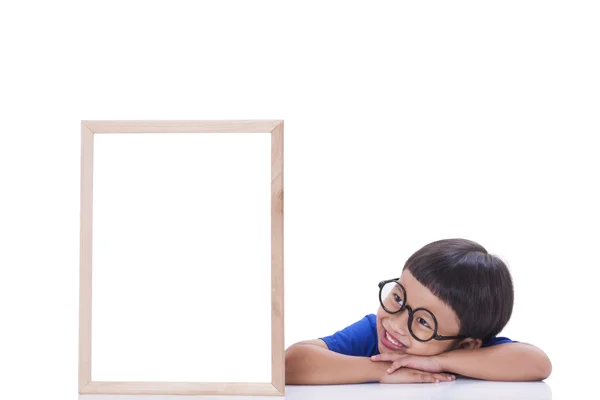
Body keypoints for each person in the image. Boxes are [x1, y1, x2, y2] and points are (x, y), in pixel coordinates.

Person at [285, 238, 552, 384]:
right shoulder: (373, 333)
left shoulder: (473, 354)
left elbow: (538, 363)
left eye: (424, 322)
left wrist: (439, 362)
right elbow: (292, 362)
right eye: (398, 298)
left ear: (467, 344)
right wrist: (381, 371)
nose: (397, 323)